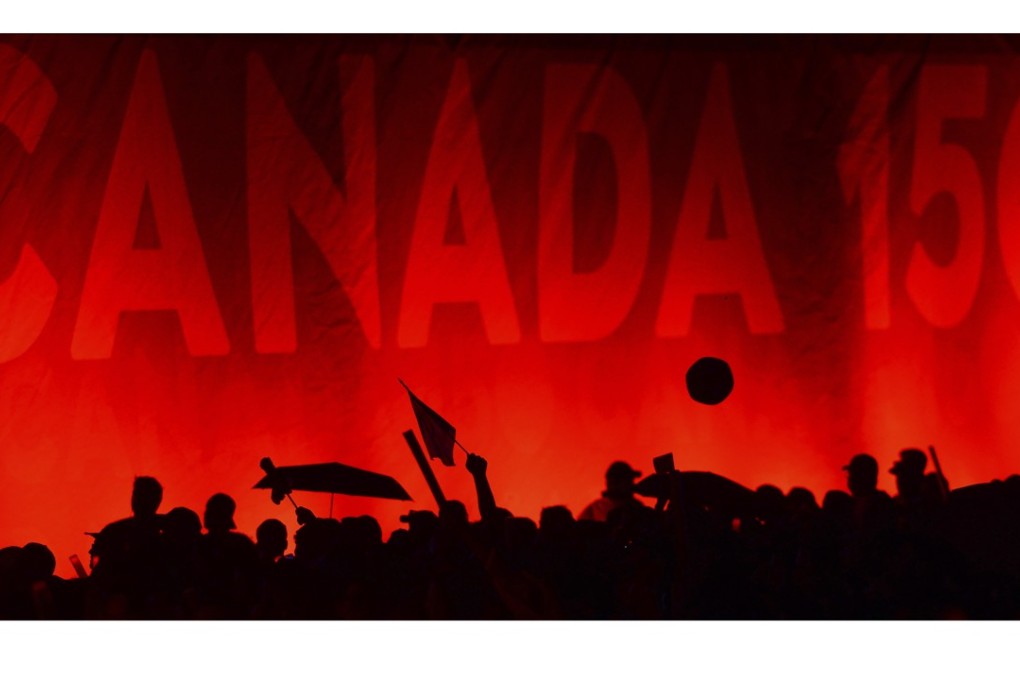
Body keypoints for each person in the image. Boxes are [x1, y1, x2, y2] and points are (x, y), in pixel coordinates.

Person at [579, 461, 645, 522]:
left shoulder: (595, 508)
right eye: (628, 480)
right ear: (616, 482)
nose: (632, 484)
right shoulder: (597, 509)